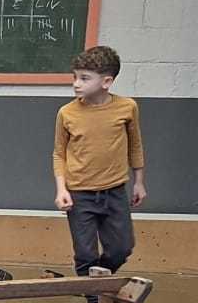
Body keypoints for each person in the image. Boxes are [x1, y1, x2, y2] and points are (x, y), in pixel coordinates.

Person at [54, 45, 146, 290]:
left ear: (106, 82)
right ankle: (95, 302)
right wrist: (61, 189)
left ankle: (94, 283)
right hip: (79, 194)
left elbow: (135, 145)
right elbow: (59, 153)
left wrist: (139, 181)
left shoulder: (127, 107)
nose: (76, 84)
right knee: (85, 254)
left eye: (84, 78)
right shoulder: (67, 113)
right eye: (75, 77)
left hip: (114, 192)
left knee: (122, 248)